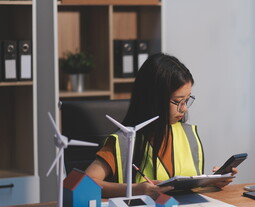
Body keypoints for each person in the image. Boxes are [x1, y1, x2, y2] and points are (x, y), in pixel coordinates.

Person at [86, 53, 237, 199]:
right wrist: (135, 189)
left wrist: (214, 181)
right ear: (154, 100)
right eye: (178, 101)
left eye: (187, 99)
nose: (184, 108)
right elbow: (85, 183)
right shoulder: (125, 141)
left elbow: (191, 187)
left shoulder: (189, 134)